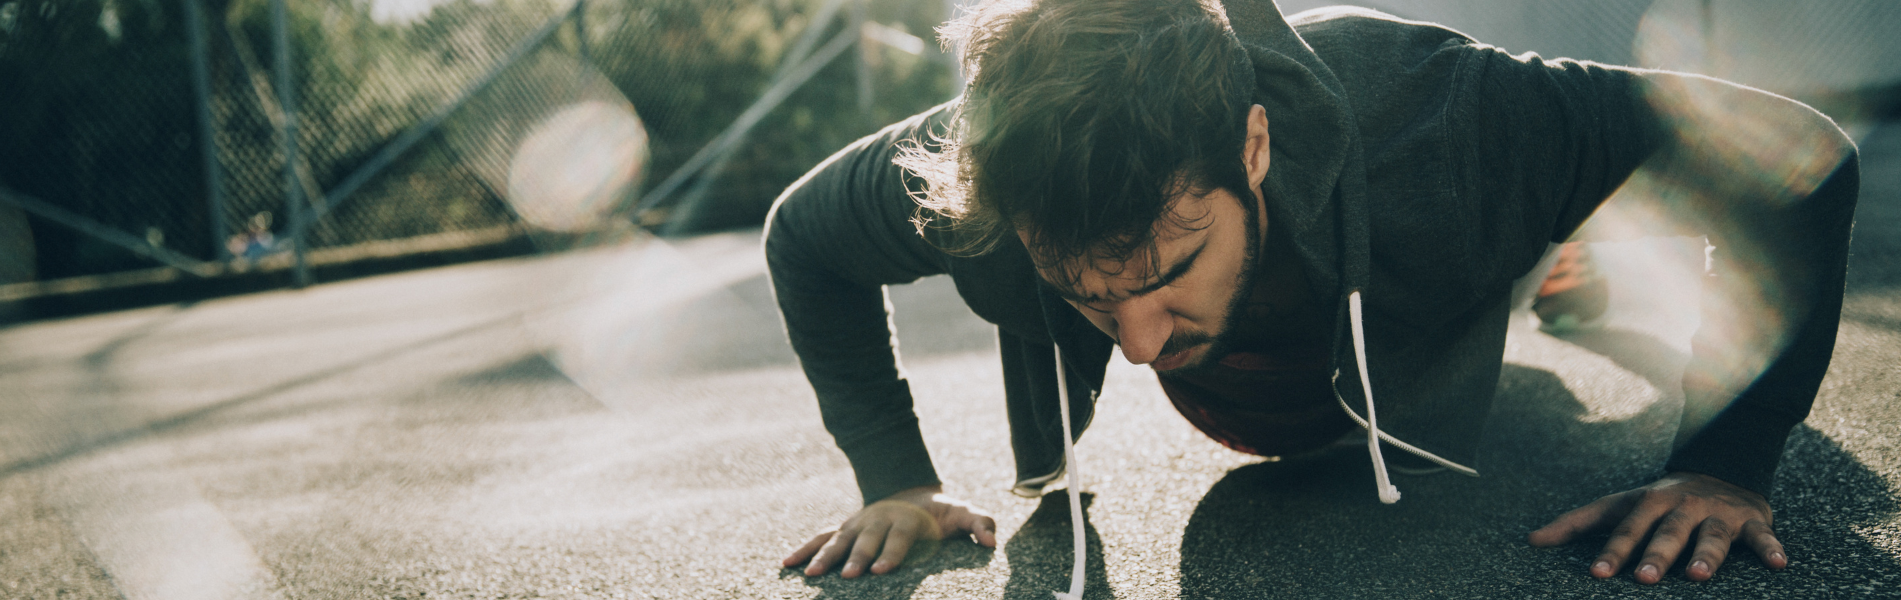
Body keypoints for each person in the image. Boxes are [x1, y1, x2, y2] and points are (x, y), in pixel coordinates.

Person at [763, 0, 1858, 585]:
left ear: (1251, 146)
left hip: (1441, 265)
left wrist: (1728, 460)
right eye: (1089, 295)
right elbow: (803, 238)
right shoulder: (977, 173)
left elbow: (1803, 155)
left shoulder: (1454, 118)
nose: (1140, 347)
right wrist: (896, 479)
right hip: (1306, 365)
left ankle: (1569, 260)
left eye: (1165, 276)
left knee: (1518, 259)